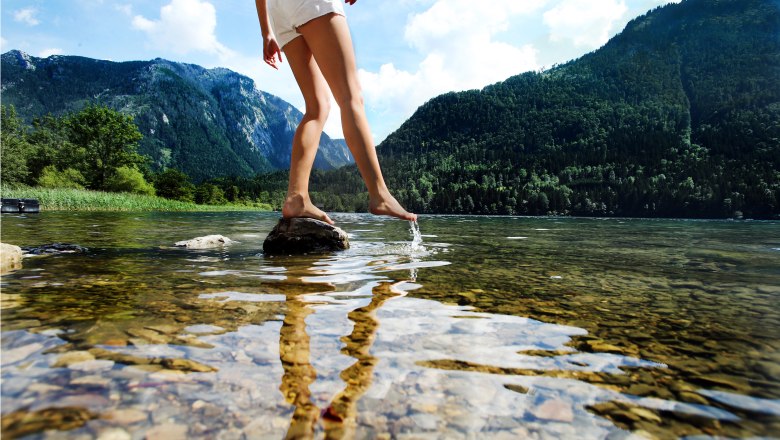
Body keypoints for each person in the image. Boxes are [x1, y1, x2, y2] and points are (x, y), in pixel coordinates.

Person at [255, 0, 416, 225]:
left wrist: (266, 32)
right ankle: (379, 195)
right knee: (351, 97)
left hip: (278, 11)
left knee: (317, 107)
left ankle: (296, 197)